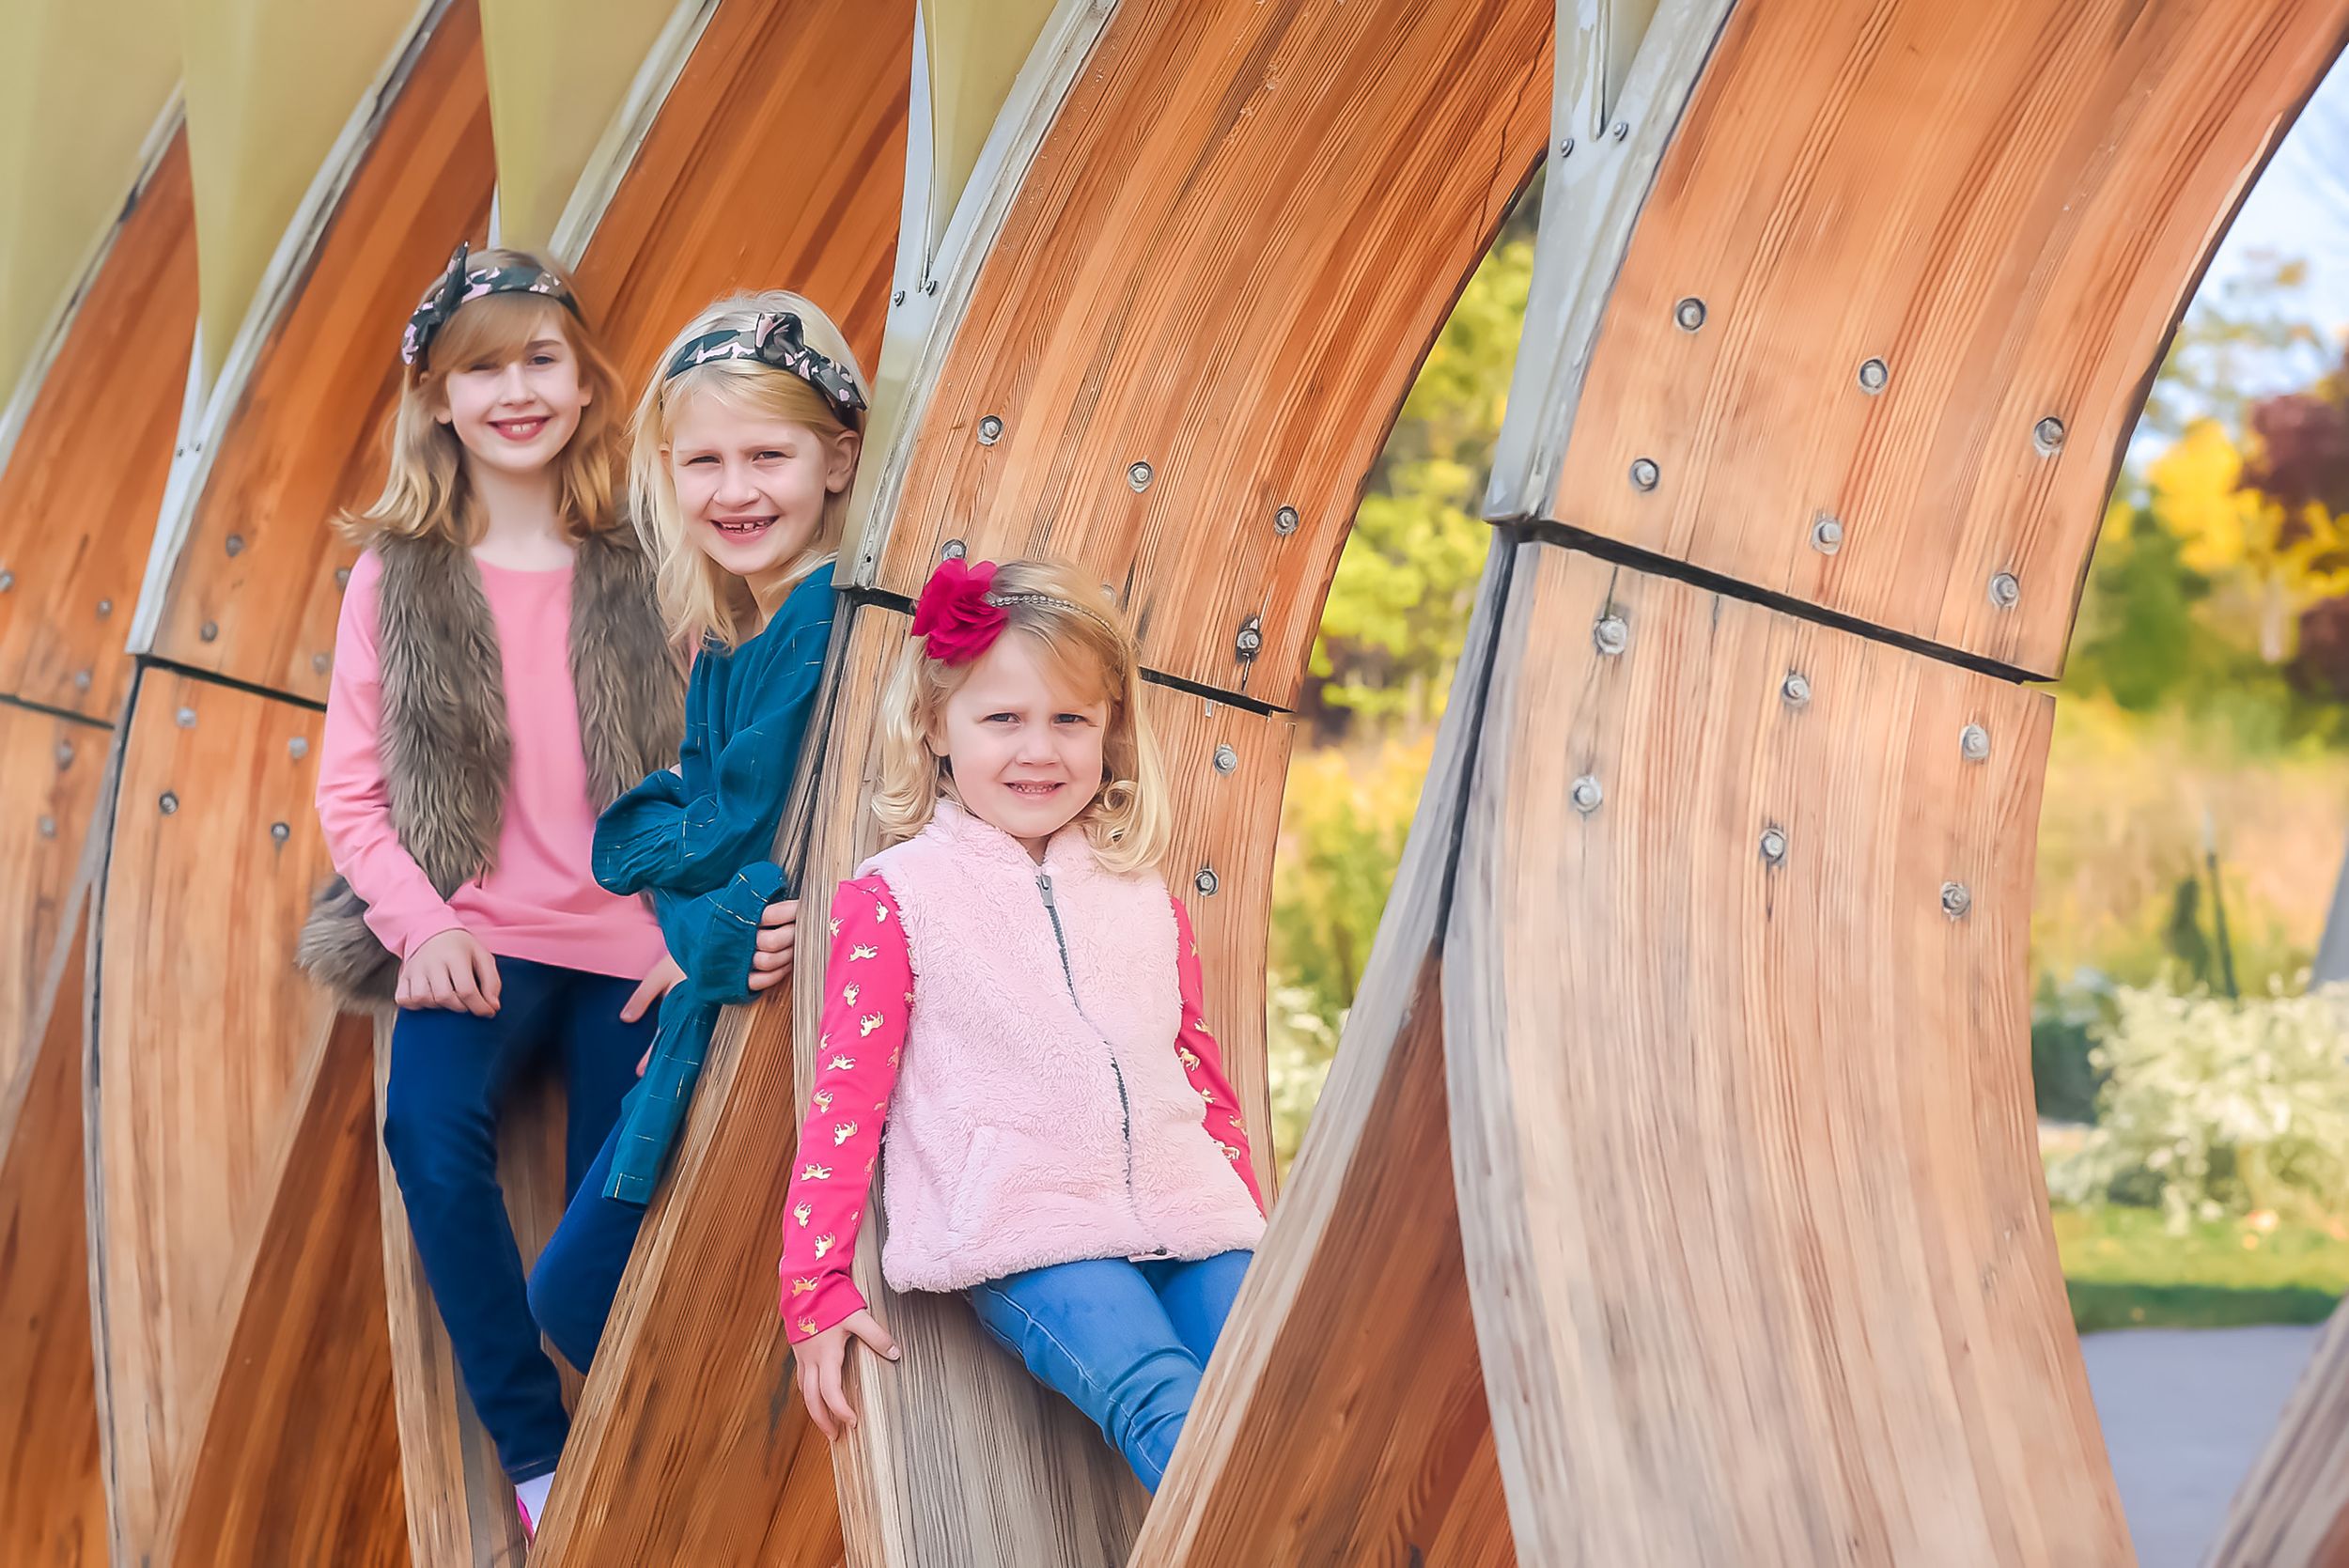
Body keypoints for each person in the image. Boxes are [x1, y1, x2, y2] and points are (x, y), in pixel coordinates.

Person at [302, 242, 683, 1539]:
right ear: (439, 399)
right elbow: (352, 795)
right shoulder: (397, 576)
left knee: (615, 1220)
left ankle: (635, 1469)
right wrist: (424, 926)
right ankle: (535, 1450)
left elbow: (720, 764)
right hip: (477, 934)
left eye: (540, 360)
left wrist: (689, 929)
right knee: (427, 1133)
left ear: (584, 383)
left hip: (628, 943)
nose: (515, 391)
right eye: (482, 370)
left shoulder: (649, 564)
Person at [780, 555, 1268, 1492]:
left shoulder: (1142, 896)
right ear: (937, 725)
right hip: (1026, 1230)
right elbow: (845, 1099)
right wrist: (813, 1284)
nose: (1037, 750)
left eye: (1069, 720)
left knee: (1276, 1394)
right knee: (1165, 1400)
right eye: (1002, 718)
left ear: (1109, 730)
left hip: (1191, 1215)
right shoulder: (901, 897)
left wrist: (1246, 1214)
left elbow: (1198, 1075)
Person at [524, 292, 869, 1417]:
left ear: (838, 460)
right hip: (715, 999)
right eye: (704, 461)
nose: (734, 490)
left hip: (789, 1026)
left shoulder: (820, 623)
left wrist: (690, 891)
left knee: (588, 1298)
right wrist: (690, 921)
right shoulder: (732, 638)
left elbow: (729, 845)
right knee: (578, 1295)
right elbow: (686, 859)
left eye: (768, 456)